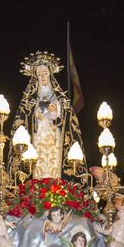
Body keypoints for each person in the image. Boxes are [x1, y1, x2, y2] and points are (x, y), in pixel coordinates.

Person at [11, 51, 85, 179]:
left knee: (54, 163)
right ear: (35, 76)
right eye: (39, 74)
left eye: (45, 73)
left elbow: (68, 125)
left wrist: (56, 116)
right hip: (36, 137)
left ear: (50, 74)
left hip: (54, 137)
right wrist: (36, 117)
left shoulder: (60, 99)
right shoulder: (29, 100)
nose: (42, 76)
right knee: (36, 163)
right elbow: (22, 122)